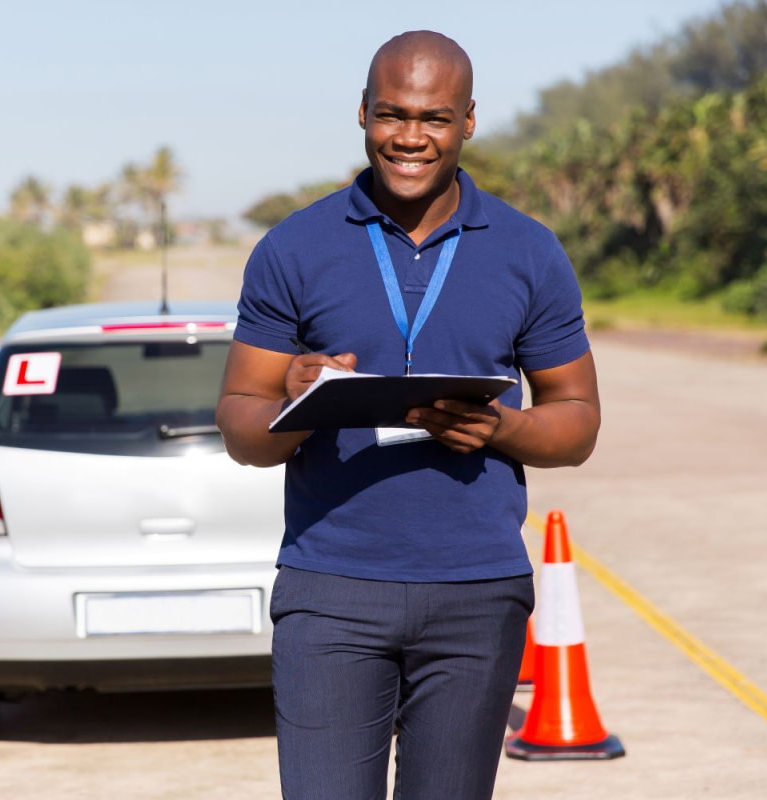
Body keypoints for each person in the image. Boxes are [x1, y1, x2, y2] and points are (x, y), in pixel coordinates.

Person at [216, 30, 601, 800]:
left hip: (476, 593)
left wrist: (503, 428)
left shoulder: (529, 252)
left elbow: (579, 419)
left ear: (468, 121)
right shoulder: (294, 248)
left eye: (434, 117)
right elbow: (241, 429)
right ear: (362, 113)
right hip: (332, 593)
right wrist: (295, 395)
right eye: (392, 114)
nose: (410, 138)